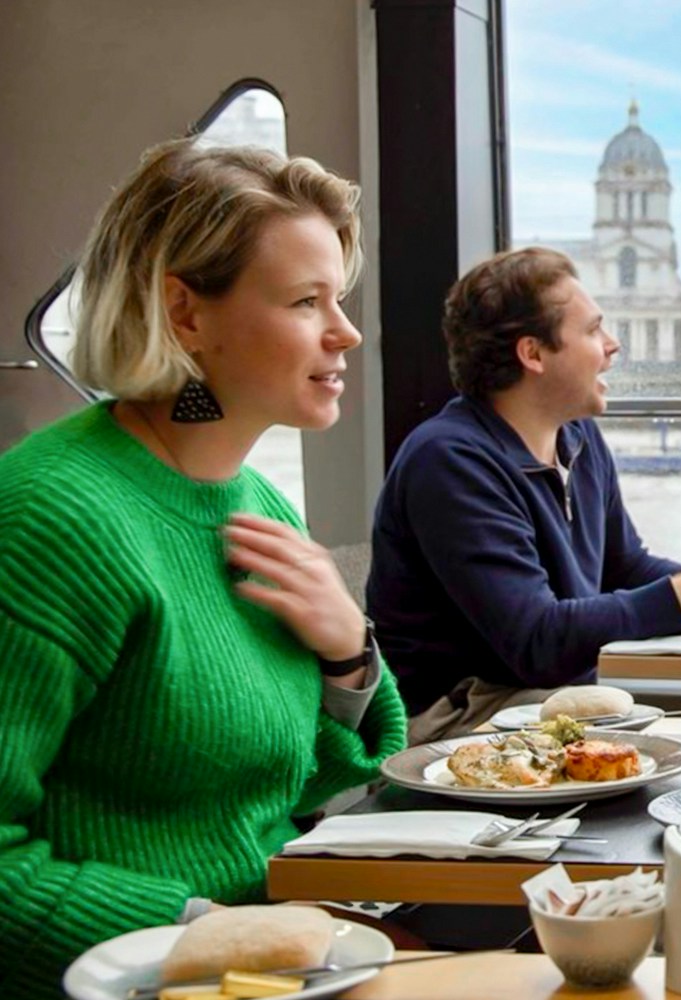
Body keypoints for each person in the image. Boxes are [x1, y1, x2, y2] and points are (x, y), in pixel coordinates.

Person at [0, 140, 406, 998]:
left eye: (341, 297)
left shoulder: (254, 499)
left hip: (270, 960)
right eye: (307, 301)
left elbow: (312, 776)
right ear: (185, 315)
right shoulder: (52, 517)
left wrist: (348, 658)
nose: (347, 331)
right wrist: (200, 932)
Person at [368, 247, 681, 742]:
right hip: (459, 725)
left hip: (545, 708)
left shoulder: (576, 435)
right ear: (532, 353)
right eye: (592, 330)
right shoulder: (449, 461)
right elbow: (535, 642)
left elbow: (623, 566)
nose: (612, 344)